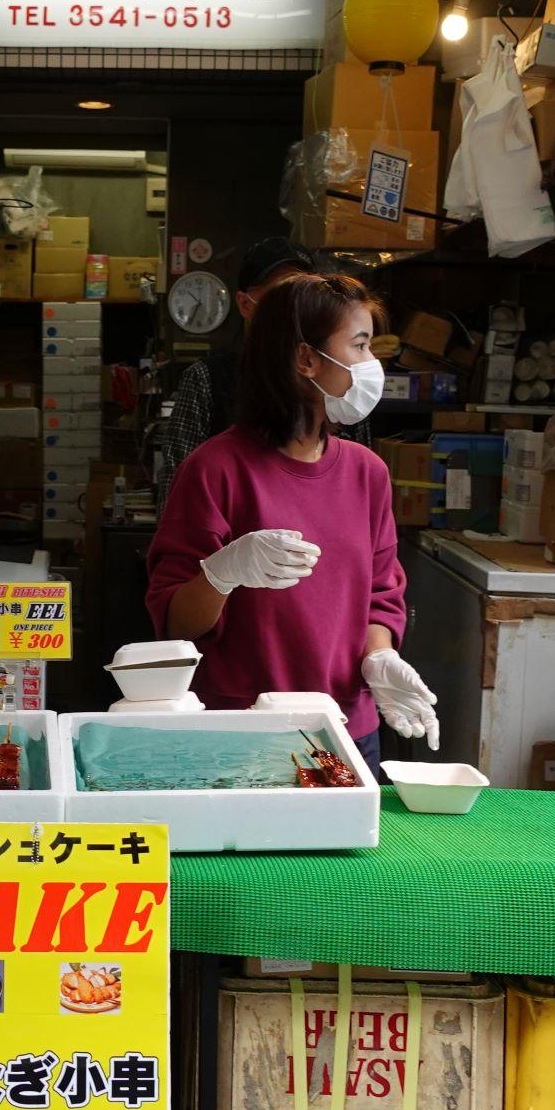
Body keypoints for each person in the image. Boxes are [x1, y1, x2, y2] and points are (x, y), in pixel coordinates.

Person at [147, 273, 438, 766]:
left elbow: (380, 595)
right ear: (306, 359)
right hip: (240, 728)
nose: (372, 366)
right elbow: (176, 621)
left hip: (345, 727)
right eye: (361, 346)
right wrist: (220, 574)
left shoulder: (368, 472)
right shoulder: (215, 468)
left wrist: (379, 656)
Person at [154, 235, 315, 504]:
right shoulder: (207, 379)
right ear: (245, 304)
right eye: (279, 295)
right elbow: (177, 488)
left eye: (305, 294)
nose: (293, 308)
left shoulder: (331, 376)